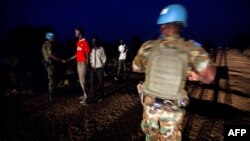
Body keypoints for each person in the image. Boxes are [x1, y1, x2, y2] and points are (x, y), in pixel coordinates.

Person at [132, 4, 216, 141]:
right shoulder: (191, 48)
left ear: (162, 25)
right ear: (181, 25)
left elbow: (136, 67)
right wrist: (195, 74)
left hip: (150, 108)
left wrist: (152, 66)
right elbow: (210, 76)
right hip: (171, 110)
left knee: (151, 136)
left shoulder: (148, 46)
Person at [67, 27, 90, 104]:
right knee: (80, 80)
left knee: (82, 80)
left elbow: (87, 55)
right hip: (78, 62)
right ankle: (84, 94)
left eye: (76, 32)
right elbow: (78, 54)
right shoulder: (78, 42)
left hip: (83, 63)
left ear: (80, 32)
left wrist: (87, 66)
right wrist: (70, 58)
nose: (75, 33)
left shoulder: (85, 42)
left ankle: (86, 97)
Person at [42, 32, 65, 100]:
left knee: (51, 78)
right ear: (50, 38)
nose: (54, 39)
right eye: (53, 38)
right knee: (51, 79)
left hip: (47, 63)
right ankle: (51, 94)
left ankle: (52, 93)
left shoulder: (45, 44)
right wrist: (61, 60)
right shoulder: (49, 45)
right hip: (50, 64)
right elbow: (51, 56)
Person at [88, 37, 106, 102]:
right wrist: (90, 64)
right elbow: (90, 58)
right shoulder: (91, 49)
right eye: (92, 41)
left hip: (99, 68)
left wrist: (103, 66)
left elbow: (104, 57)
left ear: (97, 41)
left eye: (95, 41)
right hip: (93, 68)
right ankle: (92, 96)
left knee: (100, 82)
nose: (93, 42)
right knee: (92, 82)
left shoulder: (101, 49)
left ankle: (102, 96)